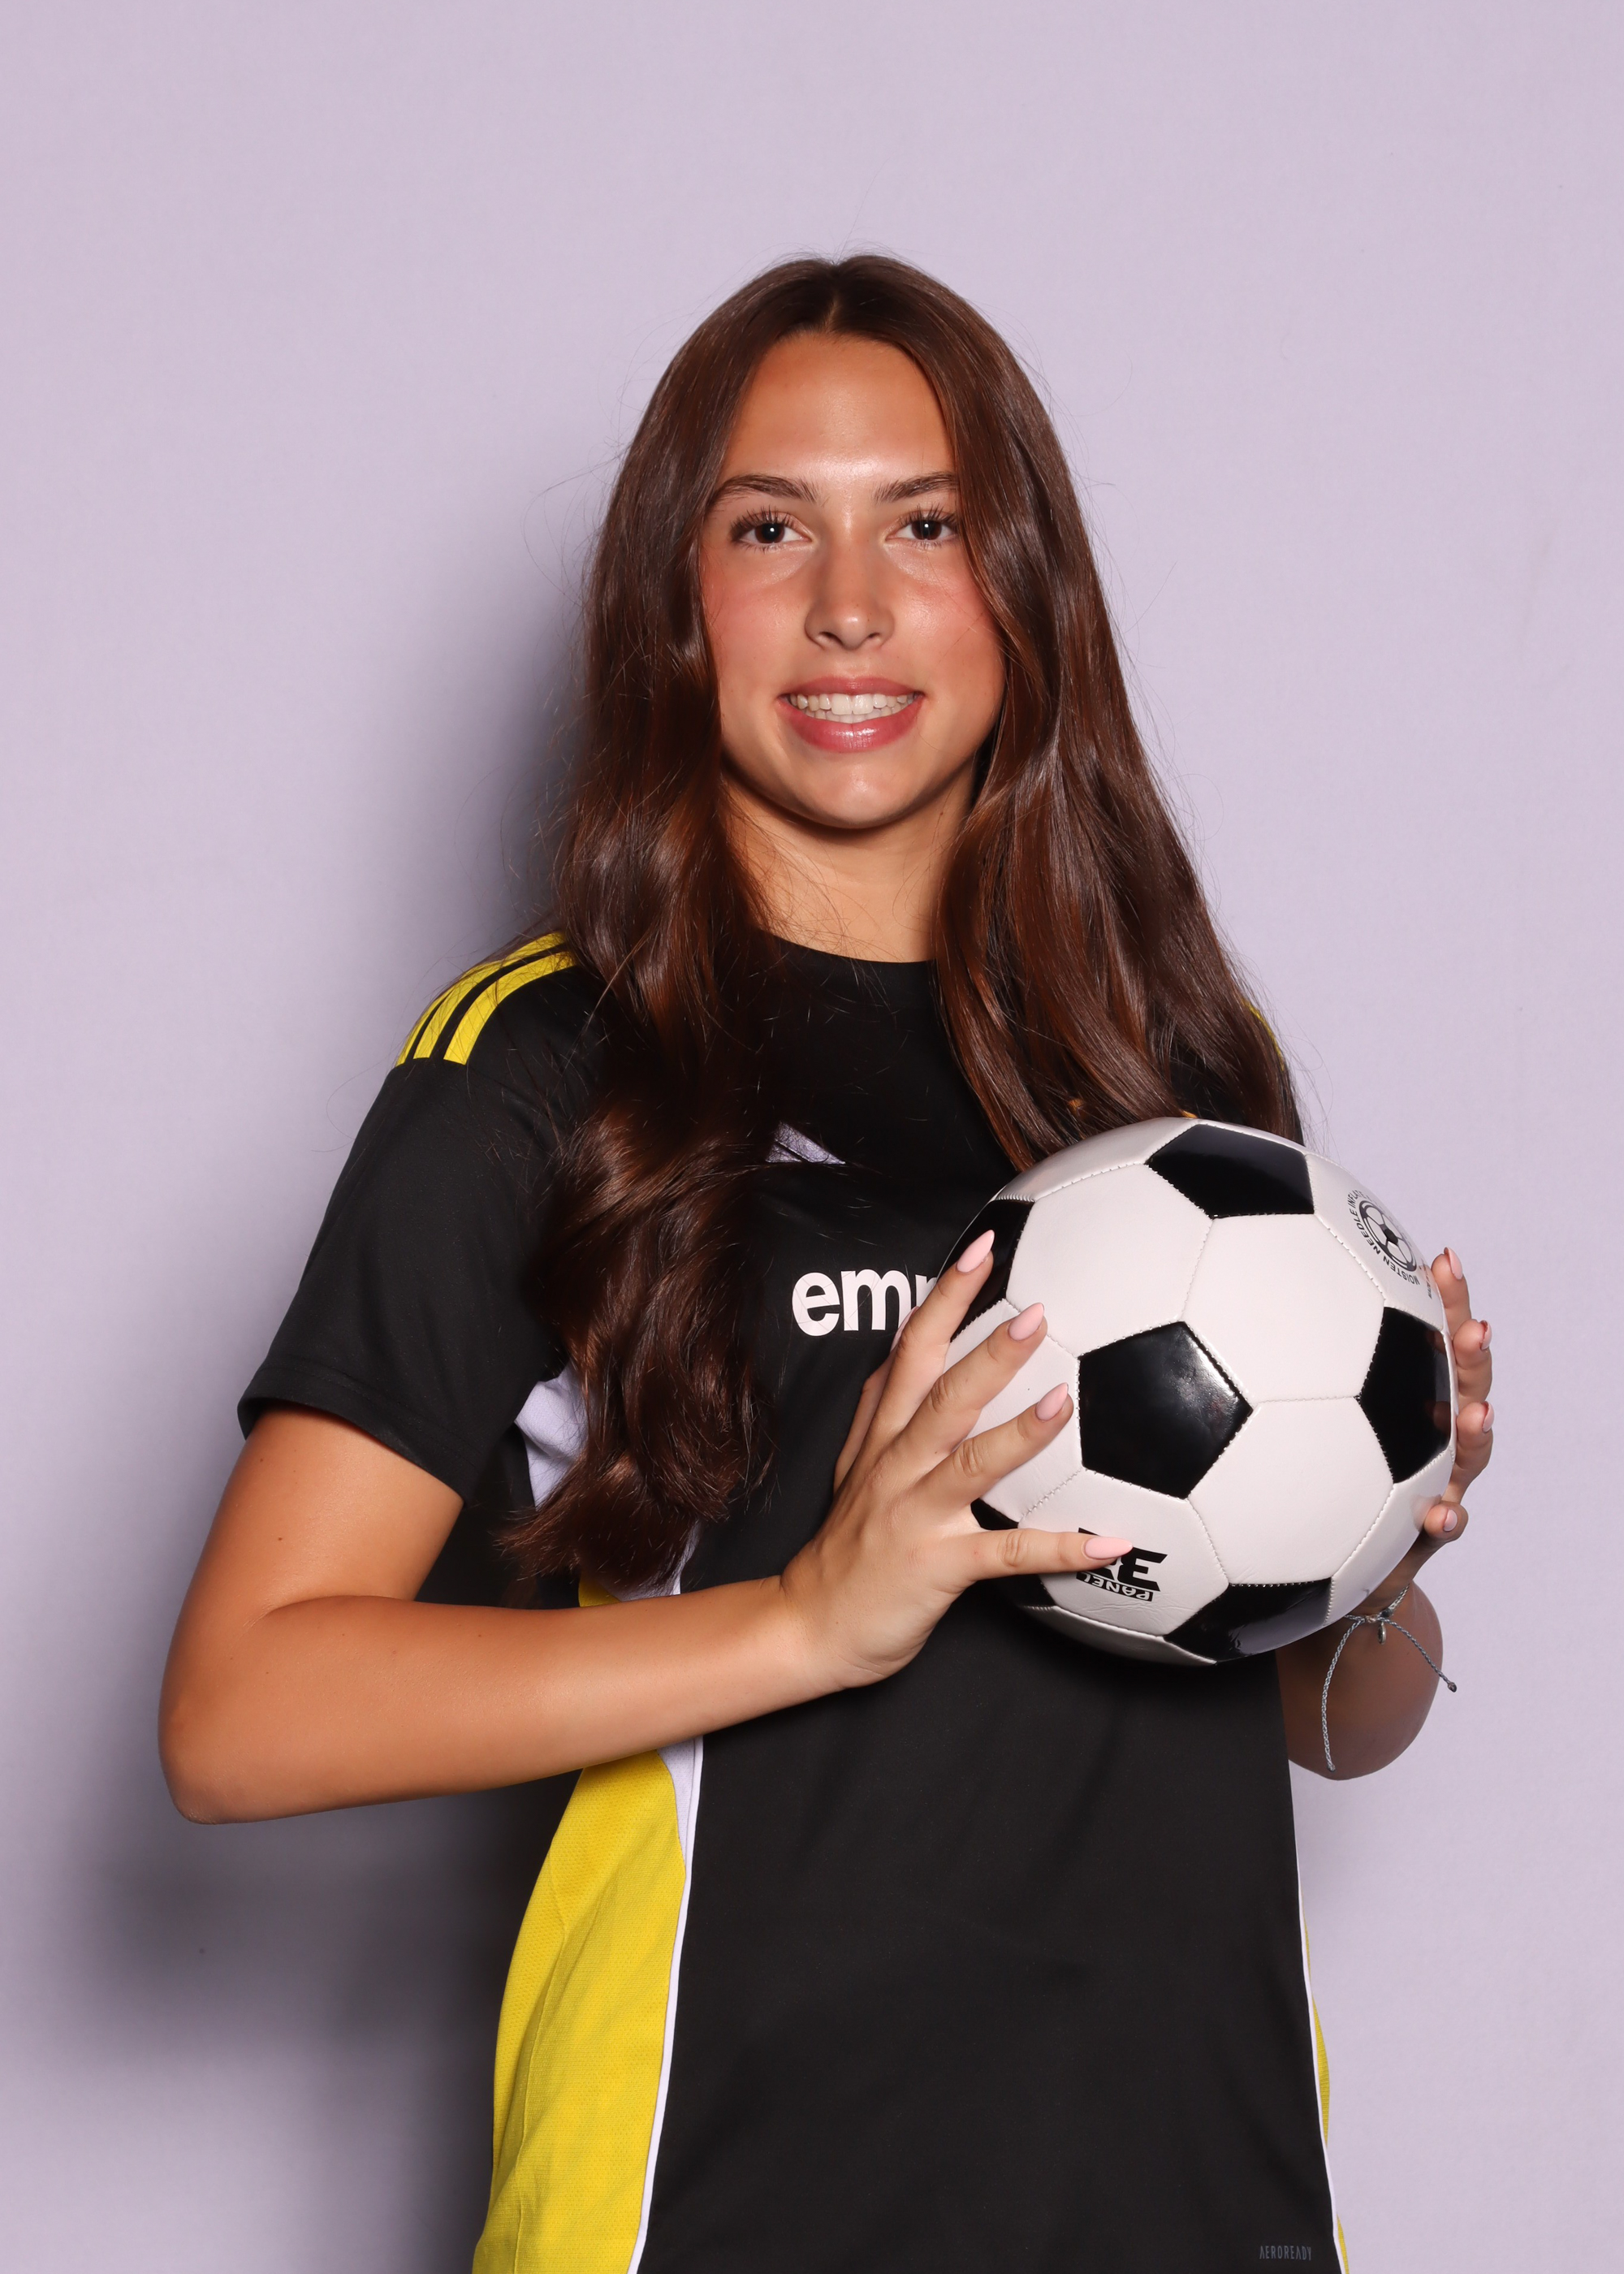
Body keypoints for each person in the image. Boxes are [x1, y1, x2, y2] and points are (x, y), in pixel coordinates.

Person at [160, 257, 1494, 2273]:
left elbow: (1320, 1715)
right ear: (671, 602)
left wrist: (1385, 1535)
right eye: (770, 528)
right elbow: (241, 1707)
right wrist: (804, 1618)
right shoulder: (555, 1066)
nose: (849, 605)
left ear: (1022, 591)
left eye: (926, 524)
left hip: (1197, 2197)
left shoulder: (1171, 1076)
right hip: (731, 2199)